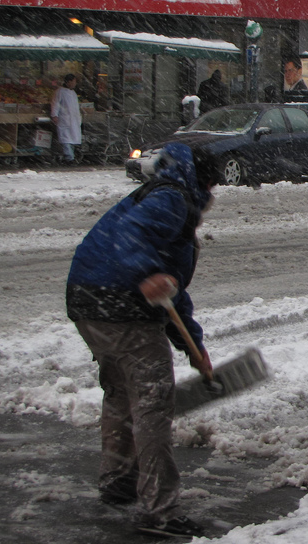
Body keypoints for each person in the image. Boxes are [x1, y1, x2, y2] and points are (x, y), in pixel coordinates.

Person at [65, 142, 216, 539]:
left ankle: (117, 479)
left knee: (119, 392)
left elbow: (172, 294)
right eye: (212, 183)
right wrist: (147, 273)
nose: (213, 193)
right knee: (152, 405)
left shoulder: (154, 196)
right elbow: (134, 244)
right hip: (121, 306)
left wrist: (193, 347)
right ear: (200, 180)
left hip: (87, 301)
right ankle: (160, 510)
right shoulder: (172, 200)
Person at [50, 74, 82, 164]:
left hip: (74, 119)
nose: (75, 84)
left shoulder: (73, 93)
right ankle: (69, 158)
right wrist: (54, 115)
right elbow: (55, 103)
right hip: (64, 119)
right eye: (74, 81)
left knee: (71, 139)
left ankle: (70, 156)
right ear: (68, 82)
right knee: (66, 139)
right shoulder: (60, 92)